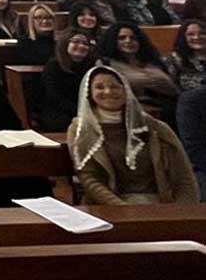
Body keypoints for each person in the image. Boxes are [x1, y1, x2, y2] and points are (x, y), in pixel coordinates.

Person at [69, 65, 198, 206]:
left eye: (115, 87)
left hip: (160, 204)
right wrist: (124, 209)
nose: (108, 91)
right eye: (99, 87)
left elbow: (183, 175)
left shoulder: (156, 127)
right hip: (108, 207)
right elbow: (89, 179)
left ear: (126, 90)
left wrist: (183, 211)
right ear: (89, 93)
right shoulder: (80, 130)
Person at [98, 22, 179, 125]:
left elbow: (173, 88)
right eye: (122, 38)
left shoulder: (153, 61)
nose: (128, 41)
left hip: (169, 106)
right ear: (112, 41)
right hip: (137, 113)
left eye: (133, 38)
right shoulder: (106, 64)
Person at [39, 30, 96, 132]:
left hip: (85, 112)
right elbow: (55, 97)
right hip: (59, 114)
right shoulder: (54, 66)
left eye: (85, 43)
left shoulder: (91, 66)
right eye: (76, 41)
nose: (81, 46)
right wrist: (79, 112)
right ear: (65, 44)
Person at [166, 20, 206, 92]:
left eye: (202, 33)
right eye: (191, 34)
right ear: (183, 37)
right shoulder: (176, 58)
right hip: (188, 96)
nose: (197, 37)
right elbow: (170, 86)